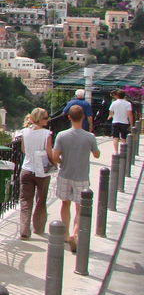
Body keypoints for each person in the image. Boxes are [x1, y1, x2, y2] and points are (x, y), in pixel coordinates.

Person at [53, 105, 100, 252]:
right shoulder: (89, 137)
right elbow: (97, 154)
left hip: (65, 174)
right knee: (80, 208)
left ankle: (66, 234)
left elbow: (55, 156)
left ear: (69, 117)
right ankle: (75, 234)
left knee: (65, 204)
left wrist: (62, 162)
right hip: (82, 176)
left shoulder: (61, 135)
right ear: (84, 117)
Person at [18, 108, 55, 239]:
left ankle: (24, 229)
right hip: (42, 171)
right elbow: (49, 152)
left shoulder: (24, 132)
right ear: (39, 119)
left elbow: (23, 149)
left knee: (25, 200)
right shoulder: (47, 134)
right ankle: (38, 228)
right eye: (45, 118)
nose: (48, 119)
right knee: (41, 200)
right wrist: (55, 163)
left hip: (27, 168)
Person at [108, 89, 133, 154]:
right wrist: (131, 124)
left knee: (115, 137)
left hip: (115, 122)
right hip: (124, 122)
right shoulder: (128, 104)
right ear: (124, 96)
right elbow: (130, 114)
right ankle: (123, 152)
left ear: (117, 95)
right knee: (124, 137)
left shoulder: (114, 103)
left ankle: (116, 152)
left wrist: (113, 116)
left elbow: (111, 112)